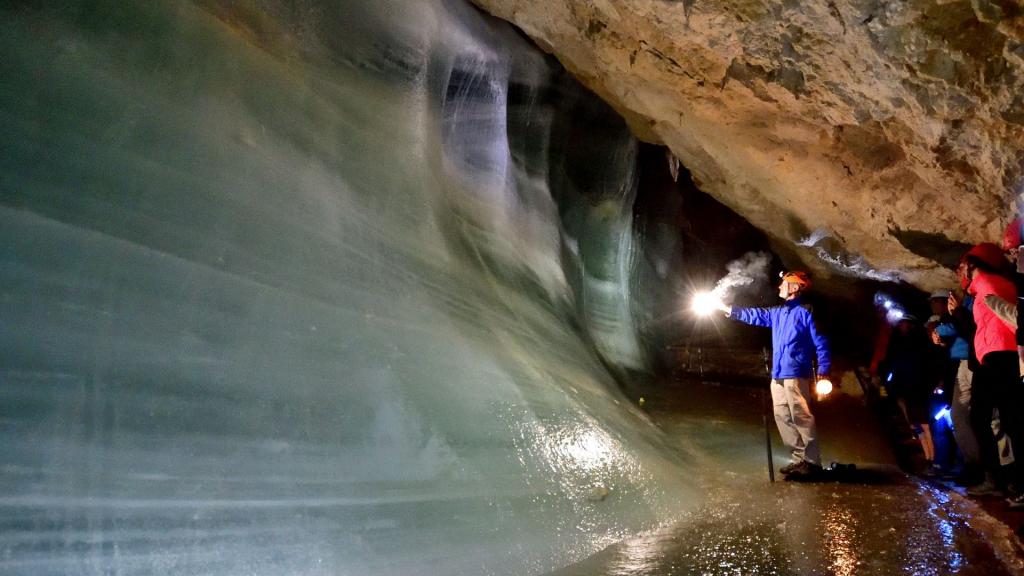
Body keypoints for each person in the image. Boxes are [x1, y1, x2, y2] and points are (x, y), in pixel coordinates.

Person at [716, 271, 831, 478]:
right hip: (777, 374)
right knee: (782, 416)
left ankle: (812, 462)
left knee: (801, 416)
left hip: (796, 372)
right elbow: (756, 315)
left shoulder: (806, 311)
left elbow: (821, 342)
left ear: (794, 287)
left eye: (783, 284)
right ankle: (798, 459)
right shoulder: (778, 312)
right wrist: (728, 309)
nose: (779, 287)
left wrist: (823, 370)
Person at [959, 242, 1023, 498]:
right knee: (1010, 419)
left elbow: (1010, 318)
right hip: (1001, 355)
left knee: (983, 418)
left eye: (963, 265)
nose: (961, 270)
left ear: (974, 264)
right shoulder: (992, 284)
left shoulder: (987, 284)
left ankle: (996, 479)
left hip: (998, 356)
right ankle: (1013, 480)